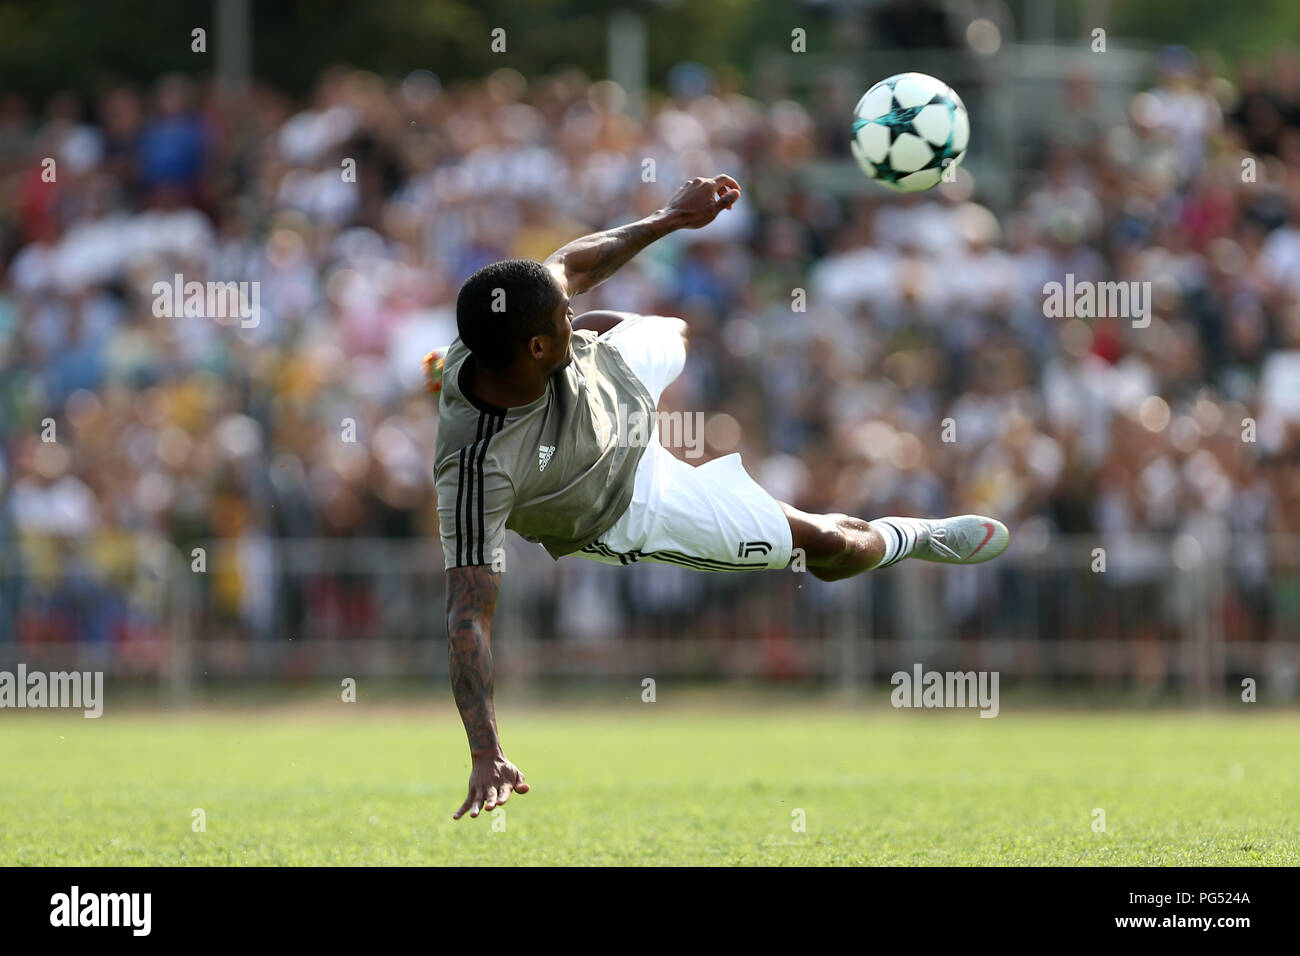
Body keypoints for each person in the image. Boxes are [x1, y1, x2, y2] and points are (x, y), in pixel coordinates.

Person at [432, 174, 1009, 820]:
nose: (567, 310)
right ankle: (912, 537)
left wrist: (672, 217)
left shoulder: (517, 320)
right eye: (562, 319)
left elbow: (572, 264)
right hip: (630, 499)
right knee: (823, 544)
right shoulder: (476, 470)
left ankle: (608, 345)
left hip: (607, 377)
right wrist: (487, 751)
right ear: (535, 347)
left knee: (676, 330)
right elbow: (466, 617)